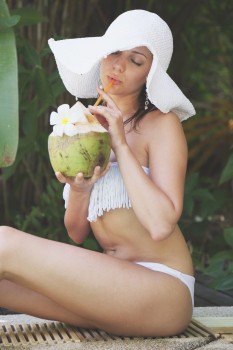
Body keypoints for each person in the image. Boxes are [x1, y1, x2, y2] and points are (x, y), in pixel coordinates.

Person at [0, 10, 196, 337]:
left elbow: (161, 225)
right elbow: (77, 233)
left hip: (163, 289)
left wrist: (119, 141)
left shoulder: (161, 125)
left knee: (3, 242)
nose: (118, 65)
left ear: (151, 74)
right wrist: (79, 190)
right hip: (113, 289)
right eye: (114, 52)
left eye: (135, 60)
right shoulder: (86, 129)